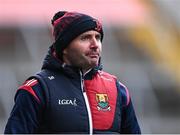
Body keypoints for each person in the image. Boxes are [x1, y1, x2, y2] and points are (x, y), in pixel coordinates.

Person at [4, 11, 141, 134]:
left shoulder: (117, 90)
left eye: (98, 38)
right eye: (85, 38)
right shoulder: (37, 89)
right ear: (64, 47)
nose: (95, 45)